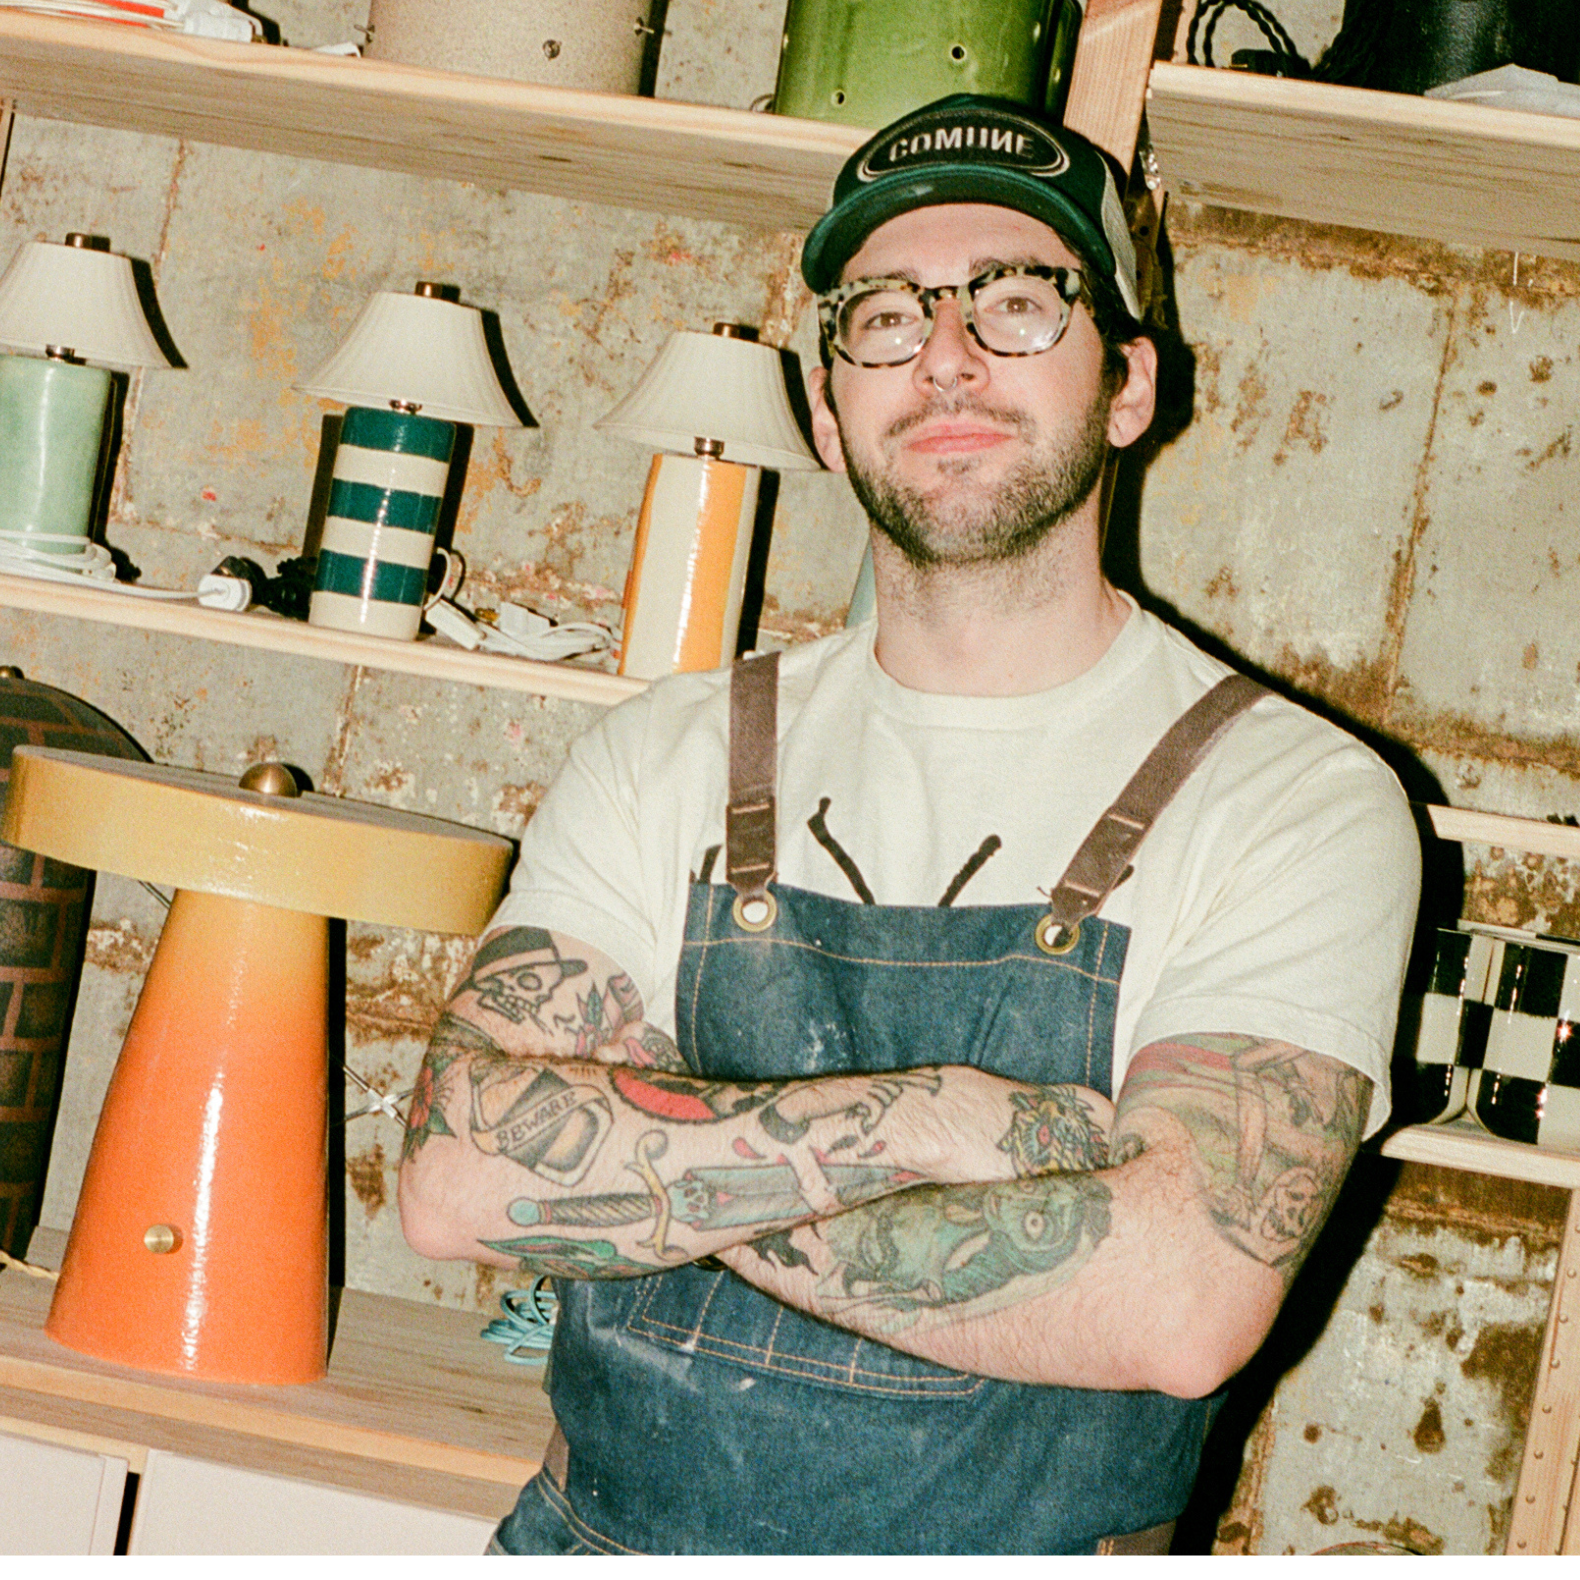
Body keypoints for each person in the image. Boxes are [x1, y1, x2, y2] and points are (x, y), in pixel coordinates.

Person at [398, 92, 1420, 1555]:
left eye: (1016, 302)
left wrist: (660, 1175)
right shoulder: (667, 752)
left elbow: (1177, 1305)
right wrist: (941, 1124)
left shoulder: (1296, 802)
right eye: (883, 314)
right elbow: (453, 1183)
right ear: (828, 408)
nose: (944, 354)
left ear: (1128, 385)